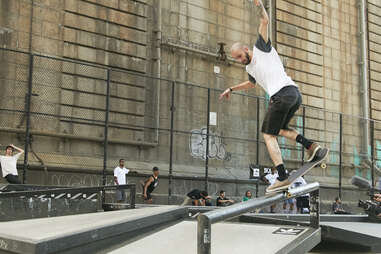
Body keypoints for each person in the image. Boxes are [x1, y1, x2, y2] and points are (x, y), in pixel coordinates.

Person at [219, 0, 322, 193]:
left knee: (268, 134)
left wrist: (259, 5)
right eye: (237, 59)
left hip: (282, 94)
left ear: (246, 49)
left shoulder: (261, 47)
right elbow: (251, 83)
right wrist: (231, 88)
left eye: (240, 56)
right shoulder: (250, 68)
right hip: (293, 94)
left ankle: (282, 177)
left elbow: (265, 21)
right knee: (280, 130)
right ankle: (311, 146)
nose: (240, 61)